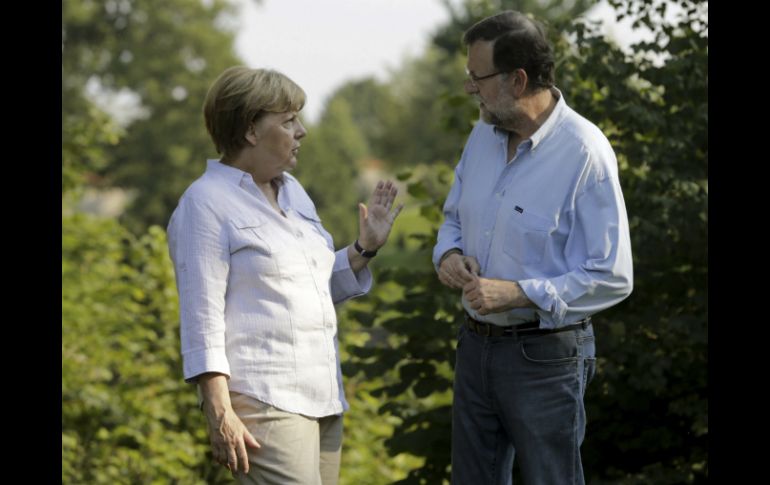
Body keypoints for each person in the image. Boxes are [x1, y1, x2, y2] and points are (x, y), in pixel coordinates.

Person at [167, 66, 403, 484]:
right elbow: (201, 318)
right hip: (265, 401)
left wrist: (364, 249)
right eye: (289, 120)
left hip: (323, 397)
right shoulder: (205, 203)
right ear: (251, 131)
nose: (302, 131)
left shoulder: (292, 190)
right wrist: (220, 412)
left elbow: (308, 286)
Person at [433, 11, 633, 485]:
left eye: (477, 77)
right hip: (475, 347)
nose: (469, 88)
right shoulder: (481, 137)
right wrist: (449, 256)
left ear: (517, 80)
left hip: (546, 359)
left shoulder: (584, 152)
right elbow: (452, 219)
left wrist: (519, 293)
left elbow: (612, 276)